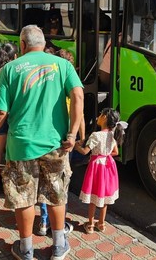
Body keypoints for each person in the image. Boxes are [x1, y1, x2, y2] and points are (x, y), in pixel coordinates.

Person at [0, 25, 83, 260]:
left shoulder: (10, 69)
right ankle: (58, 246)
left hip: (21, 146)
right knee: (57, 195)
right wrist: (72, 133)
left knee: (23, 197)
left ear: (22, 45)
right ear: (44, 43)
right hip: (56, 144)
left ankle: (26, 249)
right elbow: (78, 96)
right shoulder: (63, 65)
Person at [37, 40, 86, 237]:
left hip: (44, 137)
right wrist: (80, 137)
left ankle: (43, 222)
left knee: (43, 183)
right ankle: (58, 227)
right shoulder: (71, 91)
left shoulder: (47, 85)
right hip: (64, 141)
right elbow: (79, 113)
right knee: (58, 185)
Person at [74, 107, 127, 234]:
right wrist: (105, 154)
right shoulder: (113, 135)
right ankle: (101, 223)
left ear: (105, 118)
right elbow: (116, 152)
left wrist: (76, 146)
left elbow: (85, 152)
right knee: (104, 196)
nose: (98, 116)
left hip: (96, 167)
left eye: (100, 114)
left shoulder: (96, 135)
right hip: (108, 167)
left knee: (94, 195)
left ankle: (91, 224)